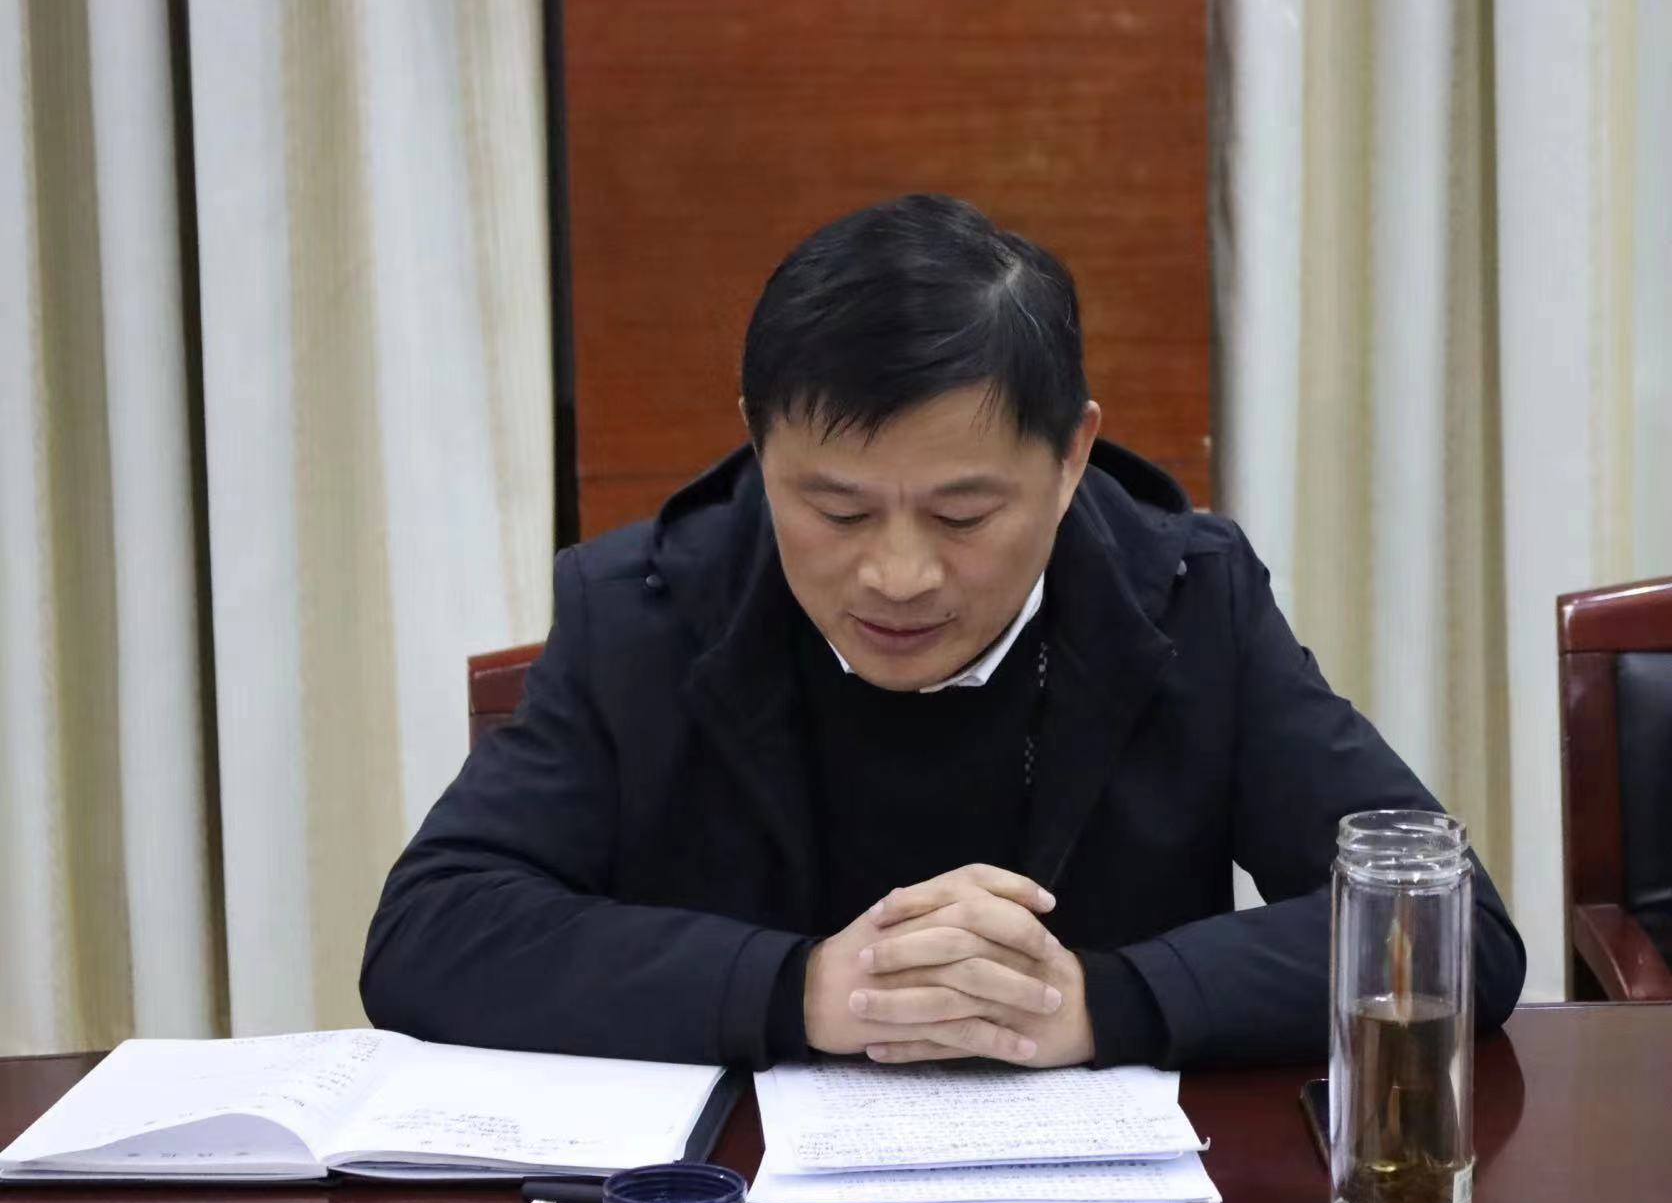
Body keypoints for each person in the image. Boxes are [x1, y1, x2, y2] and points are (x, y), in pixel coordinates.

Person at [360, 194, 1525, 1070]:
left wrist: (1098, 1002)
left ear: (1070, 458)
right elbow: (429, 930)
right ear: (758, 445)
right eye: (836, 511)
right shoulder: (642, 612)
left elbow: (1451, 930)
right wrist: (806, 989)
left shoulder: (1182, 598)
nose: (898, 575)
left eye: (962, 515)